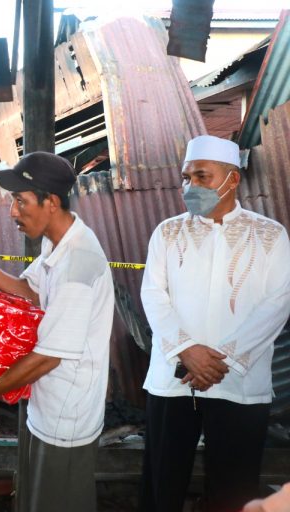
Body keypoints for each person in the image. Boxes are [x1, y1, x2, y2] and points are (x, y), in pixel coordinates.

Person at [0, 151, 115, 512]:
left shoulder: (78, 264)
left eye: (20, 201)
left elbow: (48, 356)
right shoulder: (58, 241)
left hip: (66, 418)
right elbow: (33, 291)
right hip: (46, 407)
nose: (13, 212)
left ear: (51, 202)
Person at [139, 135, 290, 512]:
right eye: (186, 178)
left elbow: (277, 303)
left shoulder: (269, 235)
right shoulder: (167, 232)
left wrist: (222, 360)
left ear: (232, 180)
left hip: (237, 381)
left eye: (202, 176)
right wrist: (187, 351)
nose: (191, 186)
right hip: (173, 380)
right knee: (162, 483)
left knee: (234, 488)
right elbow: (153, 296)